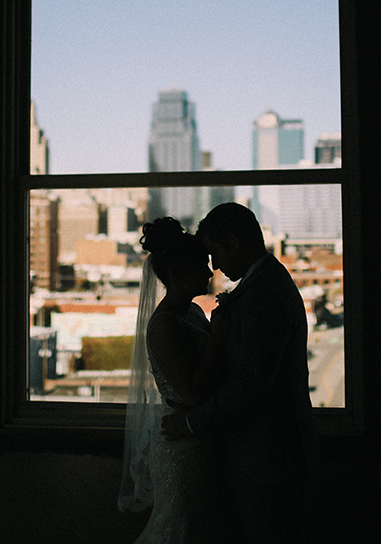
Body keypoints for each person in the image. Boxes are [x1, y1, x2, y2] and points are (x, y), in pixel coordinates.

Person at [162, 203, 319, 543]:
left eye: (215, 253)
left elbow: (250, 383)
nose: (214, 266)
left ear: (233, 242)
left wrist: (190, 422)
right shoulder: (265, 282)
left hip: (266, 461)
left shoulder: (262, 294)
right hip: (266, 458)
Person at [119, 217, 228, 543]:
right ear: (178, 275)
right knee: (179, 527)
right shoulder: (164, 325)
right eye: (201, 267)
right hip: (181, 446)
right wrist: (220, 338)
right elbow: (191, 393)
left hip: (200, 437)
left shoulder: (192, 312)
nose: (210, 274)